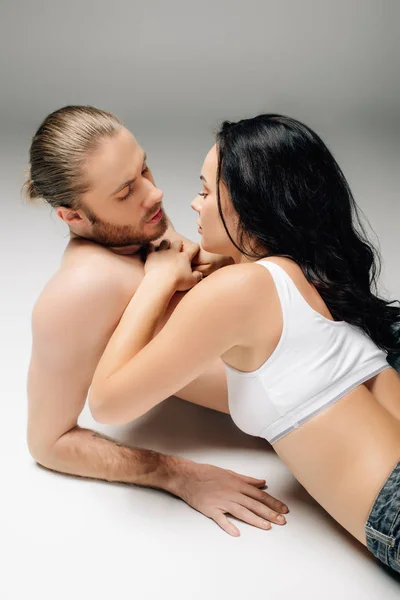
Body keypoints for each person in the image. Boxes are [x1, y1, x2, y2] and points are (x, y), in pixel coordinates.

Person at [89, 113, 400, 573]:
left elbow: (107, 404)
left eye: (205, 191)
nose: (193, 205)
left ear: (250, 205)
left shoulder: (239, 291)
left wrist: (156, 282)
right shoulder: (306, 268)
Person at [25, 106, 289, 533]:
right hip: (325, 401)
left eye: (144, 167)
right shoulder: (79, 290)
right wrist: (178, 475)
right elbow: (47, 442)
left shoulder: (143, 230)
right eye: (125, 191)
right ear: (72, 216)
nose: (154, 194)